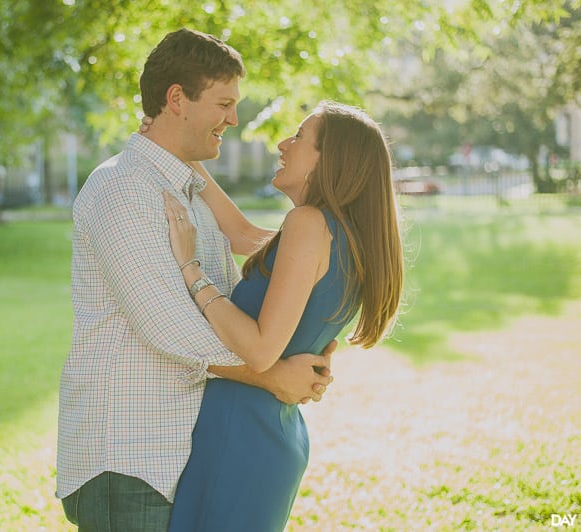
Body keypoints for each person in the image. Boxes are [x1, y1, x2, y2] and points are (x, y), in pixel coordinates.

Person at [55, 28, 335, 532]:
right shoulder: (124, 189)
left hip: (178, 454)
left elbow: (252, 262)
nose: (233, 119)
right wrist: (274, 375)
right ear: (177, 99)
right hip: (129, 460)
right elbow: (169, 326)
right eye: (224, 103)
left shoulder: (186, 191)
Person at [160, 101, 404, 531]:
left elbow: (259, 350)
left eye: (299, 136)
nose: (283, 143)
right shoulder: (340, 234)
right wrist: (180, 154)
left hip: (239, 438)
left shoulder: (308, 224)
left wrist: (191, 269)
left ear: (329, 161)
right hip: (269, 435)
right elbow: (242, 234)